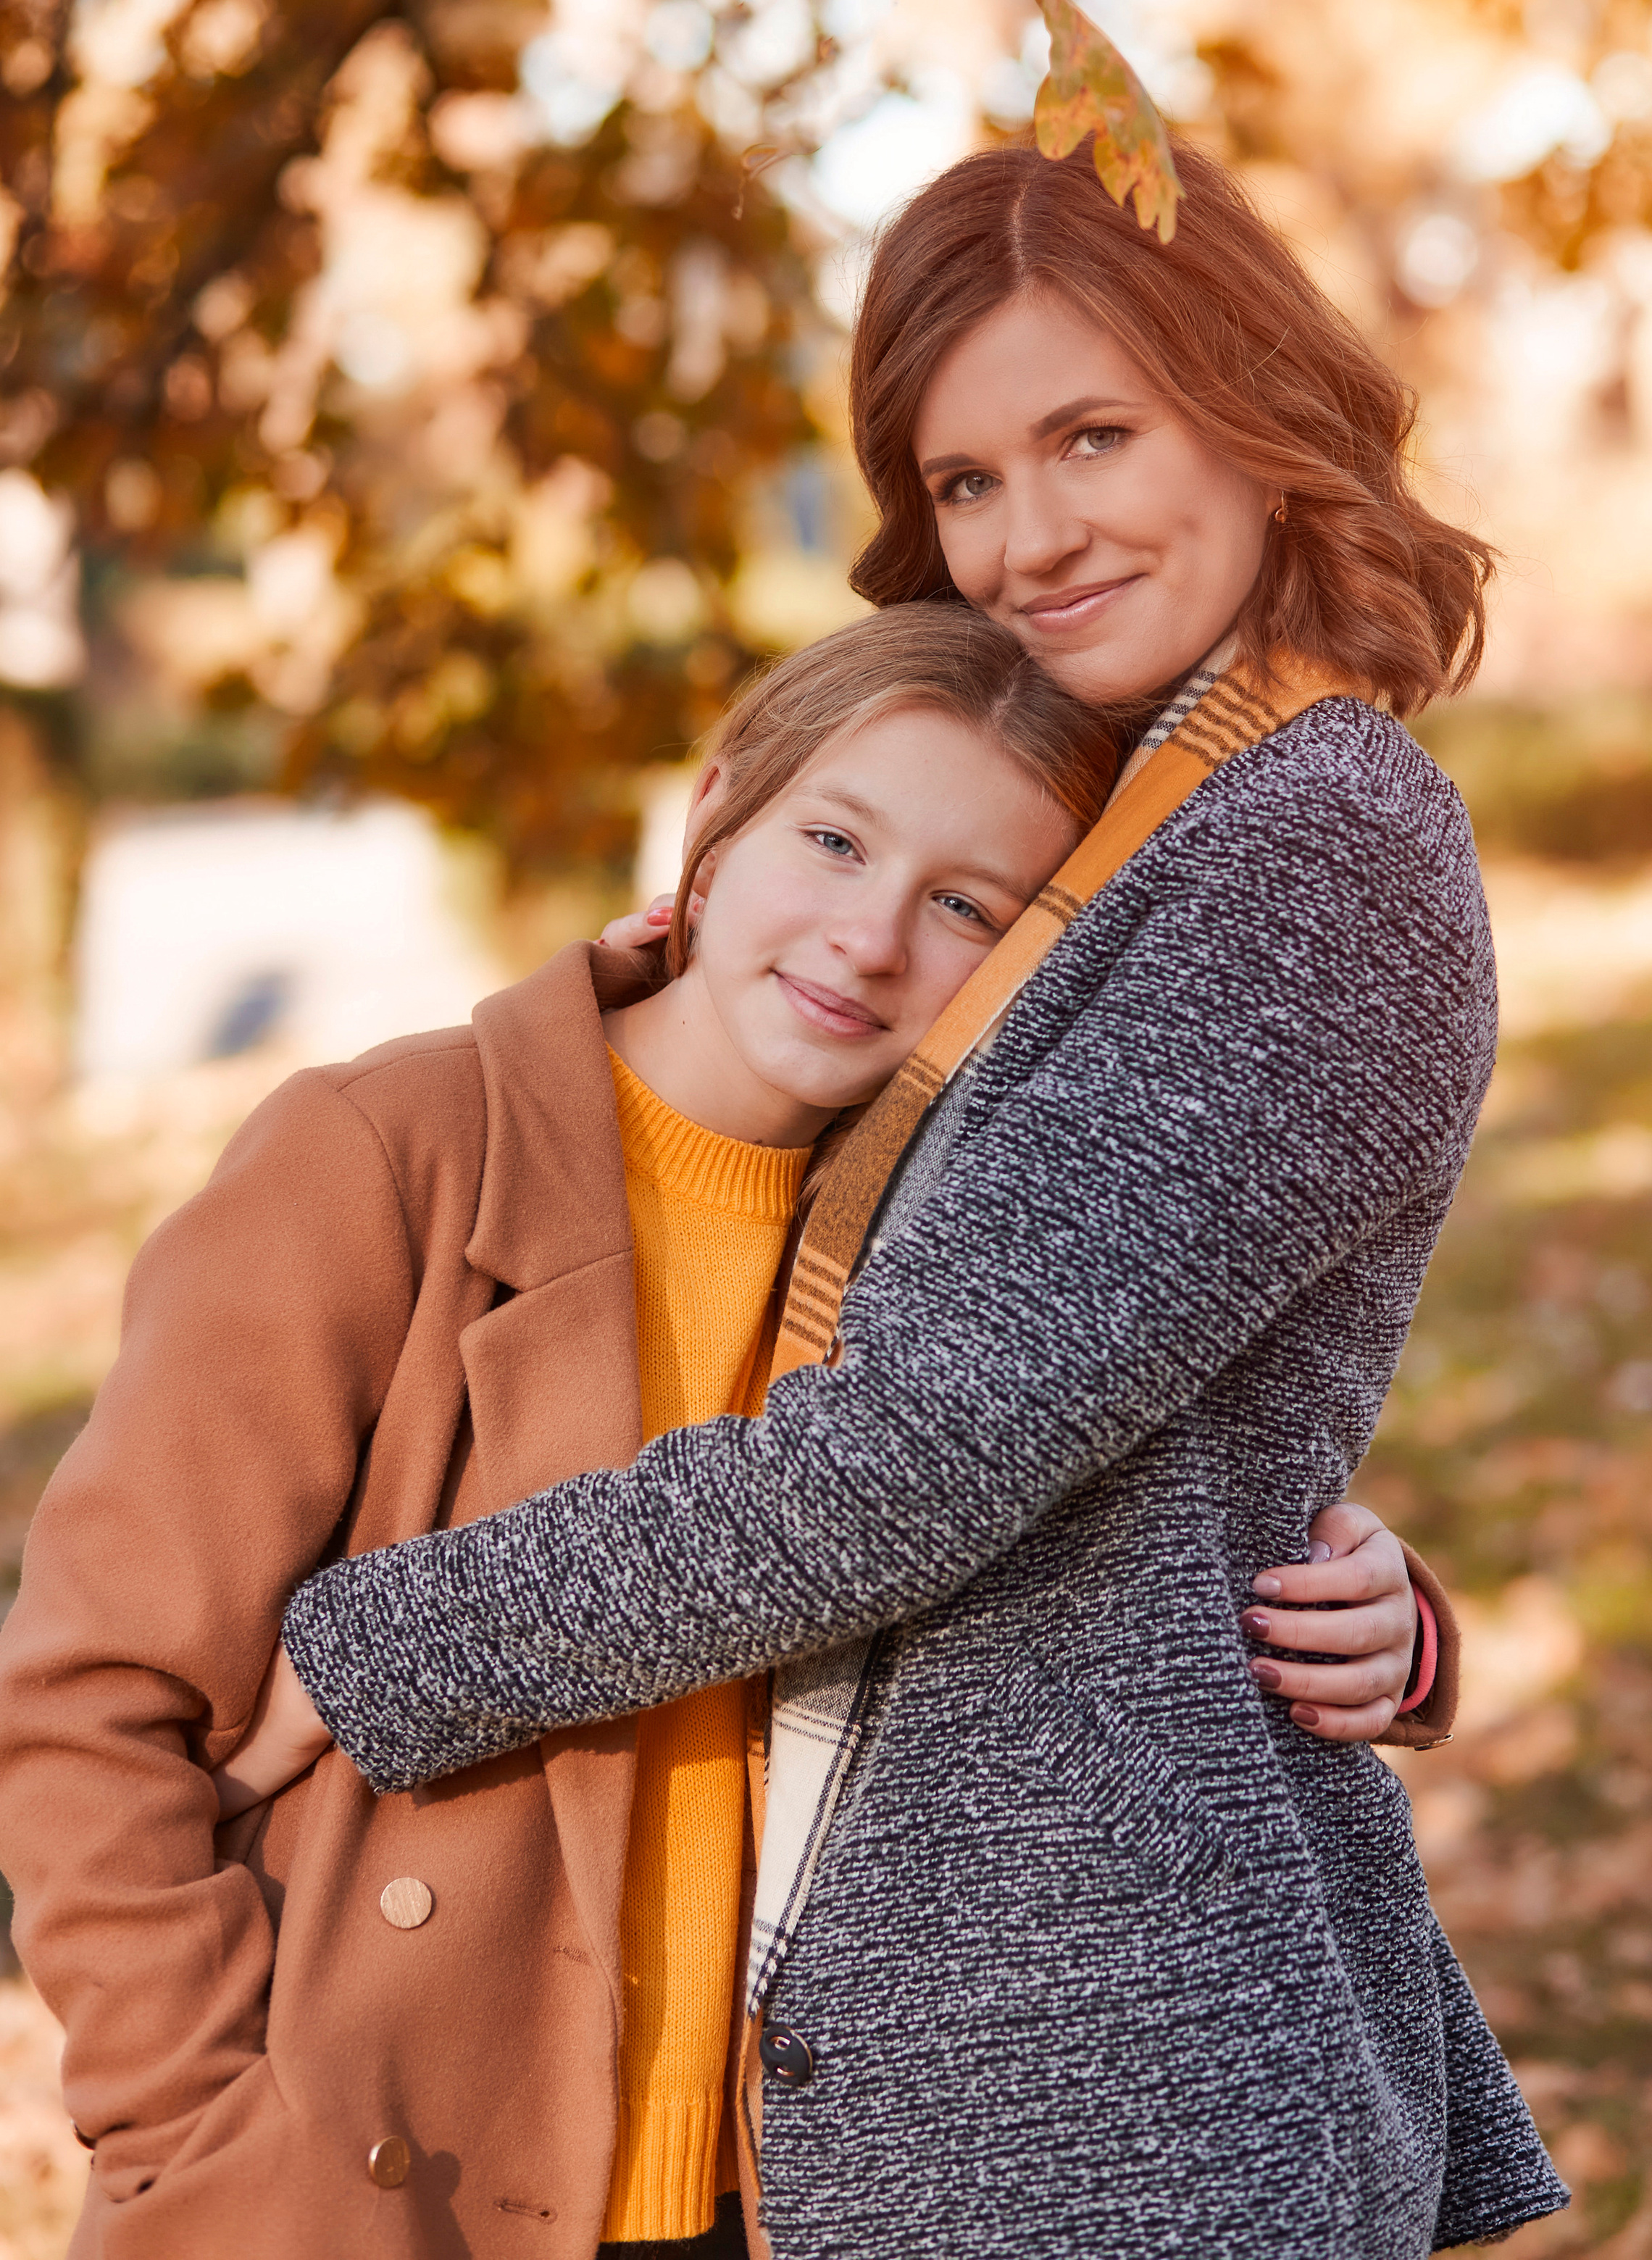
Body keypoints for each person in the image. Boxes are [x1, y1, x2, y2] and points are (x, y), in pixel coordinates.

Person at [258, 141, 1572, 2259]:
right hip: (924, 2033)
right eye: (964, 482)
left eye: (1091, 437)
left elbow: (926, 1451)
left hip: (1105, 2080)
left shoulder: (1319, 842)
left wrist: (369, 1647)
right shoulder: (1111, 821)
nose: (1030, 537)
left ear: (1251, 406)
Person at [0, 600, 1430, 2260]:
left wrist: (1386, 1618)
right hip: (384, 2181)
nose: (867, 937)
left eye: (966, 906)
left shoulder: (961, 1248)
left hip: (794, 2195)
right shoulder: (387, 1152)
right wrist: (205, 2153)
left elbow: (1103, 1562)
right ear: (717, 812)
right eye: (832, 840)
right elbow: (92, 1709)